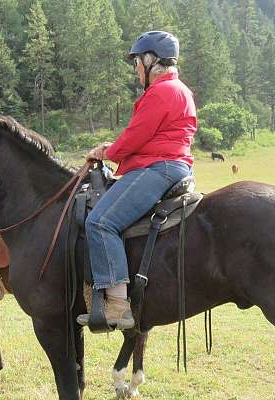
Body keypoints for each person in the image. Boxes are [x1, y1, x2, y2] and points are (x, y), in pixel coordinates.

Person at [77, 31, 197, 330]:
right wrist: (114, 148)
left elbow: (134, 138)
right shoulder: (180, 90)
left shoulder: (160, 92)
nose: (135, 70)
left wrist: (104, 151)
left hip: (159, 168)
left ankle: (118, 306)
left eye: (137, 63)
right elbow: (146, 137)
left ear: (151, 60)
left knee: (100, 222)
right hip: (172, 164)